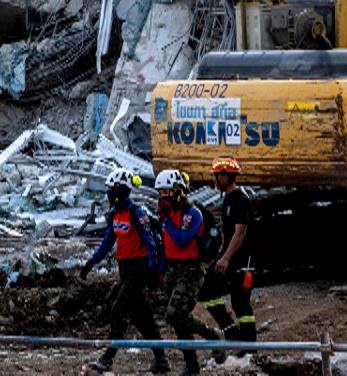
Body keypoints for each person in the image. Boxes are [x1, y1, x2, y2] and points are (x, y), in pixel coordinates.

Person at [81, 168, 169, 375]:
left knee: (119, 308)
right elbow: (107, 243)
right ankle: (161, 359)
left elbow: (150, 243)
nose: (108, 193)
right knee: (141, 316)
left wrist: (153, 270)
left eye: (111, 189)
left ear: (121, 190)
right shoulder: (115, 215)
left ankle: (107, 358)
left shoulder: (136, 213)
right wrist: (90, 263)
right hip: (124, 269)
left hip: (138, 270)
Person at [154, 169, 221, 375]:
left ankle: (212, 336)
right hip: (173, 268)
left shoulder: (193, 213)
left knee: (174, 313)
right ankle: (191, 364)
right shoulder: (169, 213)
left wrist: (166, 222)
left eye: (167, 192)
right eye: (161, 193)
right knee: (178, 320)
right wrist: (161, 269)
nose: (163, 197)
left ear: (178, 190)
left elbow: (182, 239)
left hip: (191, 269)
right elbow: (168, 246)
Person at [197, 157, 255, 350]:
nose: (214, 180)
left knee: (240, 303)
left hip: (242, 260)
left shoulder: (240, 200)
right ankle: (231, 331)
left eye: (216, 176)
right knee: (205, 289)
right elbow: (228, 233)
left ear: (226, 176)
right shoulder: (227, 200)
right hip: (227, 257)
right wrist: (219, 256)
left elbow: (240, 232)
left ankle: (249, 348)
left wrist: (226, 258)